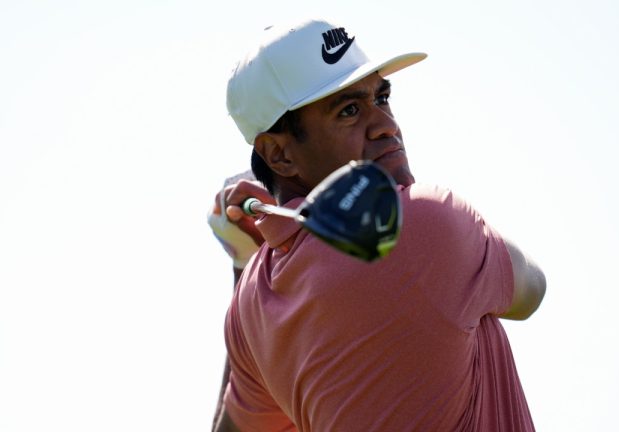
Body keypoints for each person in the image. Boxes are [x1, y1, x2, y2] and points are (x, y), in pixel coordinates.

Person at [208, 18, 546, 432]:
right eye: (348, 110)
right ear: (279, 155)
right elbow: (532, 290)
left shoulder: (253, 303)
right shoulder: (424, 221)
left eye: (381, 98)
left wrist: (245, 265)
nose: (387, 125)